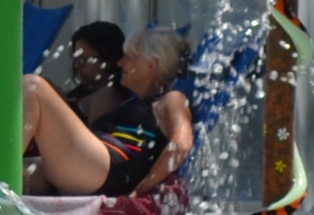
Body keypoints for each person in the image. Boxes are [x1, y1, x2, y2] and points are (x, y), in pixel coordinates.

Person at [18, 28, 195, 198]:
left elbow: (182, 144)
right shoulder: (131, 103)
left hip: (103, 167)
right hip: (90, 166)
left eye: (129, 57)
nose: (120, 63)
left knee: (34, 86)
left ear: (151, 65)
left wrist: (142, 189)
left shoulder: (172, 99)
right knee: (3, 170)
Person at [62, 21, 134, 129]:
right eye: (76, 59)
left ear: (108, 59)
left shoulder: (107, 95)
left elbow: (95, 141)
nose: (77, 66)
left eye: (84, 59)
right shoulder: (83, 91)